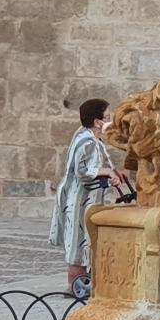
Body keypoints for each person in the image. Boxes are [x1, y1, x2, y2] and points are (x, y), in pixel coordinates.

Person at [47, 98, 118, 298]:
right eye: (107, 115)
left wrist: (111, 173)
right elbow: (82, 171)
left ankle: (84, 281)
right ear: (98, 121)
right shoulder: (87, 142)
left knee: (85, 240)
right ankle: (74, 286)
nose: (110, 118)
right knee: (78, 242)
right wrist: (106, 171)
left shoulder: (89, 138)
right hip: (79, 200)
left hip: (87, 199)